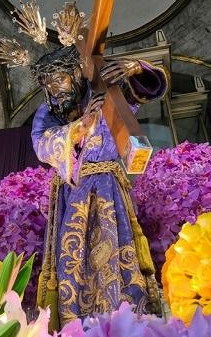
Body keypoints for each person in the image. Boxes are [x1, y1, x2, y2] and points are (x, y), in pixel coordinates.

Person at [30, 45, 167, 327]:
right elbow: (42, 144)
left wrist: (135, 67)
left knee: (116, 255)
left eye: (60, 80)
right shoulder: (49, 110)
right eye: (48, 84)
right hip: (74, 192)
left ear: (76, 73)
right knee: (74, 261)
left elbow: (148, 88)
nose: (55, 89)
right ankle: (74, 325)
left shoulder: (106, 93)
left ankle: (123, 323)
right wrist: (81, 126)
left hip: (107, 188)